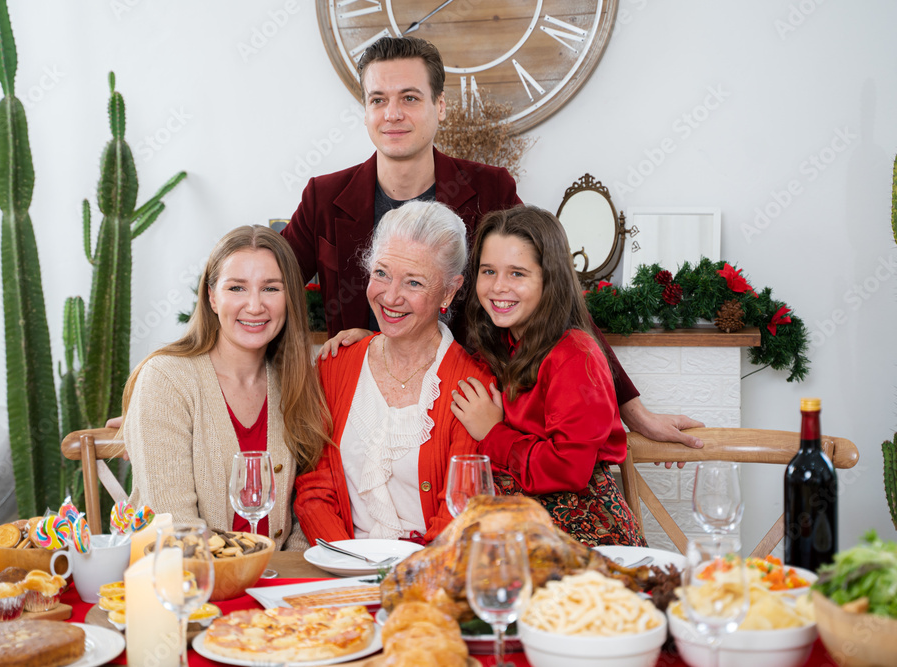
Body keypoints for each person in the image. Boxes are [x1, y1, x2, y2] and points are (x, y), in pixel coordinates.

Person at [281, 35, 704, 454]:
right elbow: (271, 284)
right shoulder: (324, 196)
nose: (392, 113)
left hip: (464, 414)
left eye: (409, 97)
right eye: (377, 99)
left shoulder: (488, 189)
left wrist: (635, 412)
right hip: (359, 415)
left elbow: (557, 298)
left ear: (439, 106)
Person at [293, 200, 494, 544]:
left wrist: (405, 577)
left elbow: (462, 510)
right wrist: (349, 564)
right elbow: (314, 489)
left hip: (429, 577)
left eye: (414, 283)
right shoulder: (334, 365)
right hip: (340, 570)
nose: (391, 296)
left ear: (449, 290)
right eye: (381, 273)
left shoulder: (475, 386)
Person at [122, 226, 332, 550]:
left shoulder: (296, 379)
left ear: (290, 297)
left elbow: (307, 512)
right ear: (212, 297)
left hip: (278, 588)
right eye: (236, 288)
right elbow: (176, 532)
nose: (254, 305)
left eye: (271, 289)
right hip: (193, 586)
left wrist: (287, 580)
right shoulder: (165, 381)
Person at [451, 206, 646, 546]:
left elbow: (569, 468)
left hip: (583, 530)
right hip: (520, 526)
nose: (498, 287)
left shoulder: (576, 355)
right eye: (488, 271)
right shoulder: (499, 345)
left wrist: (492, 432)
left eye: (517, 274)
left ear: (549, 277)